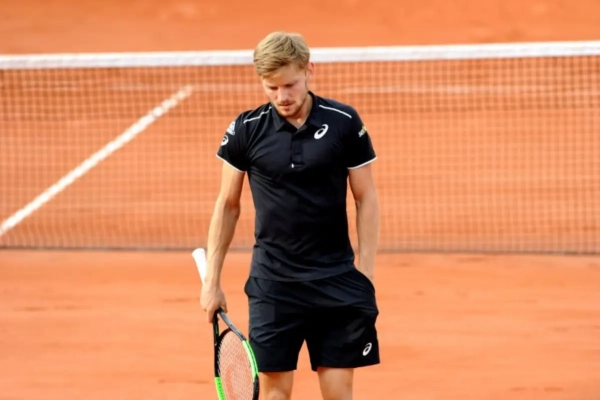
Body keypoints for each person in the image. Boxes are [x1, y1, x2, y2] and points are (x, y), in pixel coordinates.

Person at [201, 31, 380, 400]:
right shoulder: (246, 129)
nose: (282, 96)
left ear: (309, 70)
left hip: (336, 278)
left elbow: (365, 198)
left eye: (290, 85)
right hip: (274, 283)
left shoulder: (344, 122)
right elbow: (227, 204)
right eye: (272, 87)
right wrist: (212, 282)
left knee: (338, 392)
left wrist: (365, 271)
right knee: (274, 394)